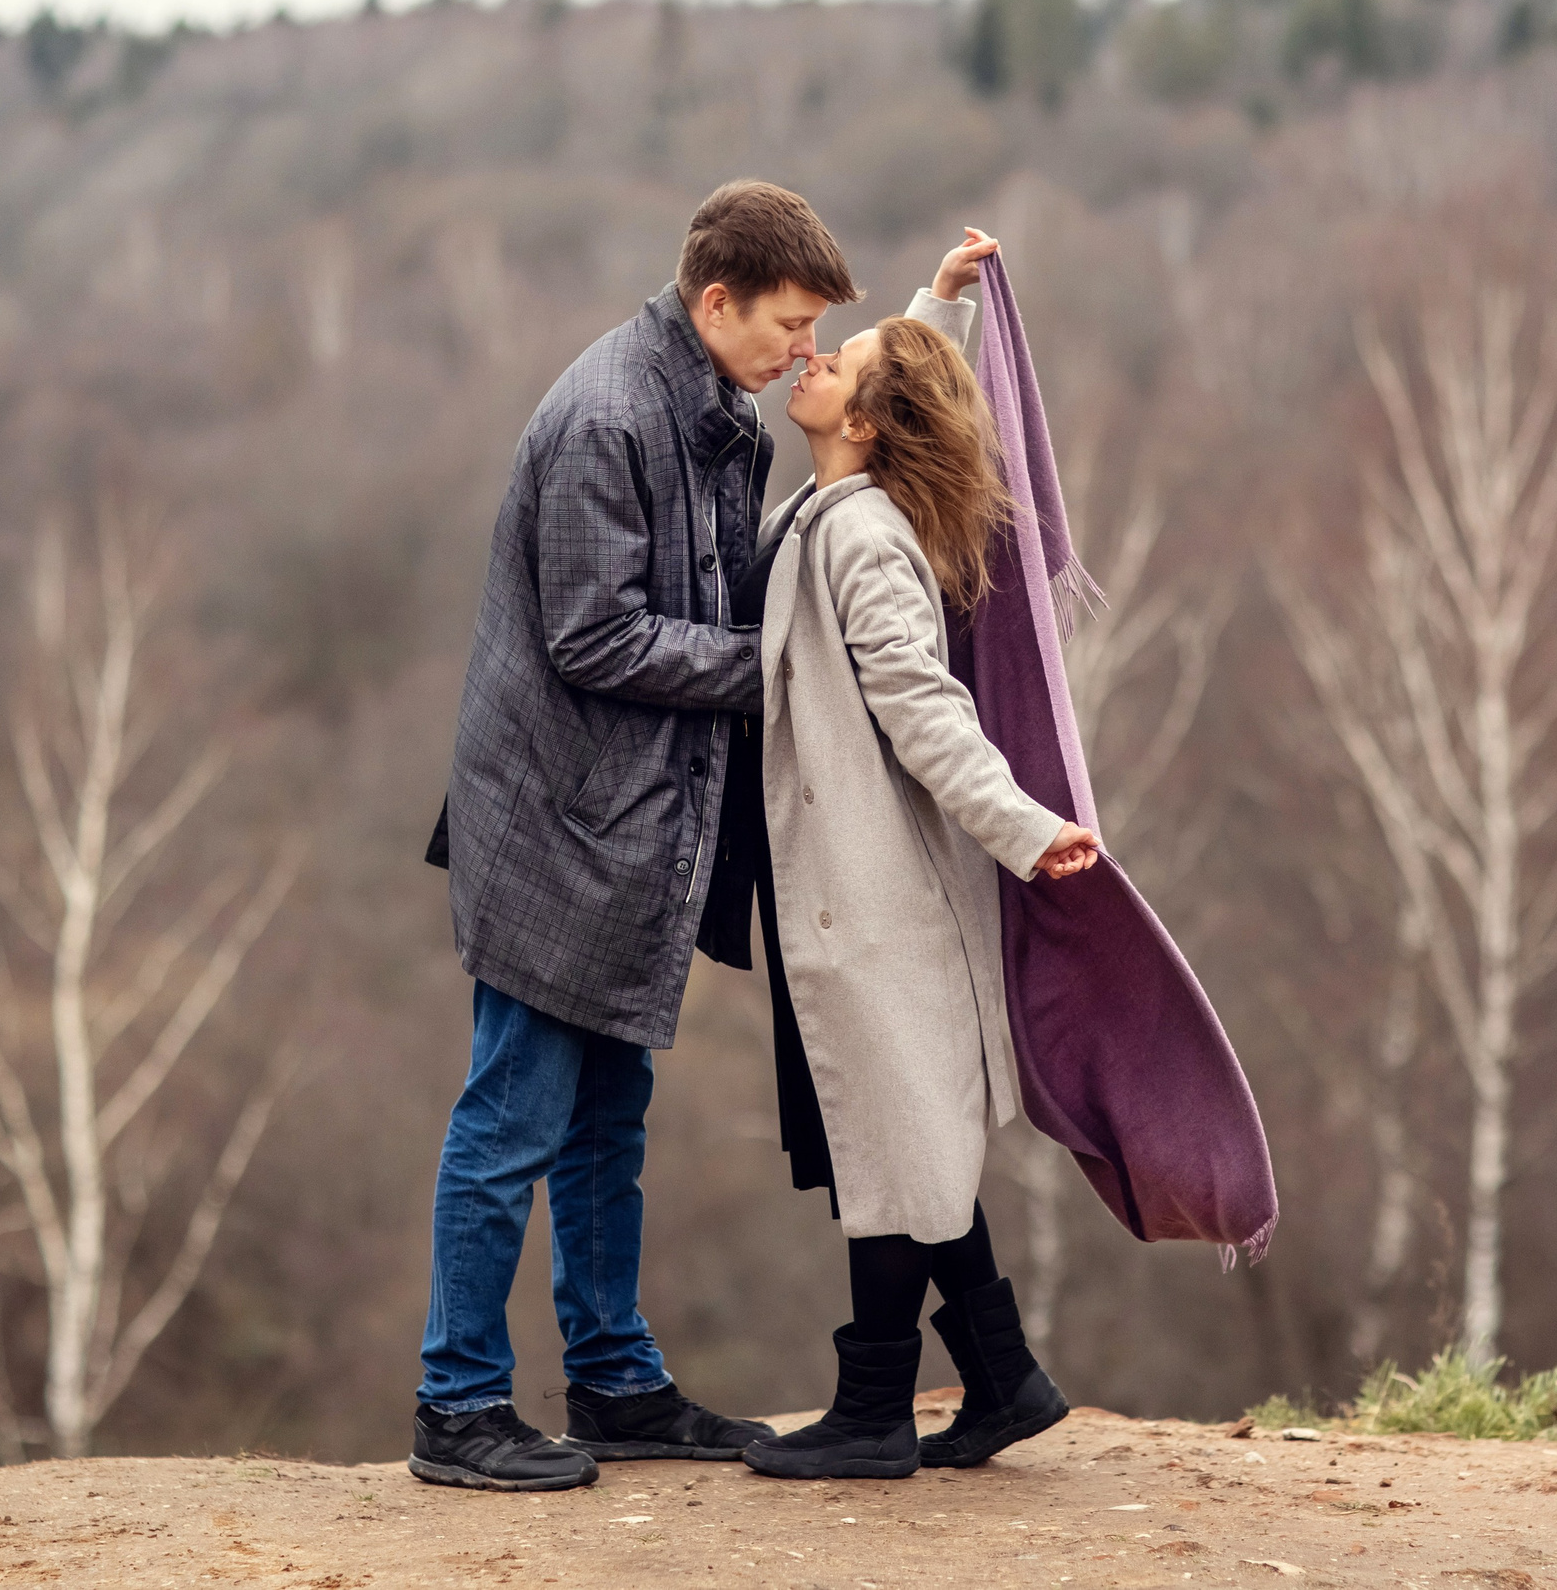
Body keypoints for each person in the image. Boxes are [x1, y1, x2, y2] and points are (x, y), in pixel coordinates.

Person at [414, 181, 884, 1493]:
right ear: (716, 298)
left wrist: (943, 316)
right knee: (508, 1119)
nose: (805, 353)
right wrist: (778, 663)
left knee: (609, 1121)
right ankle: (455, 1402)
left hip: (628, 830)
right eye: (790, 325)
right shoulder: (610, 415)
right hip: (557, 828)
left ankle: (615, 1381)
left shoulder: (708, 406)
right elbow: (594, 633)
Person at [715, 230, 1103, 1481]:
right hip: (837, 892)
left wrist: (1029, 832)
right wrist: (942, 306)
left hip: (876, 897)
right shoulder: (825, 503)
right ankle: (1000, 1380)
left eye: (841, 363)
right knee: (898, 1140)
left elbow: (926, 710)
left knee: (891, 1145)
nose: (811, 361)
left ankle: (877, 1410)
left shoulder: (863, 533)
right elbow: (927, 392)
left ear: (871, 425)